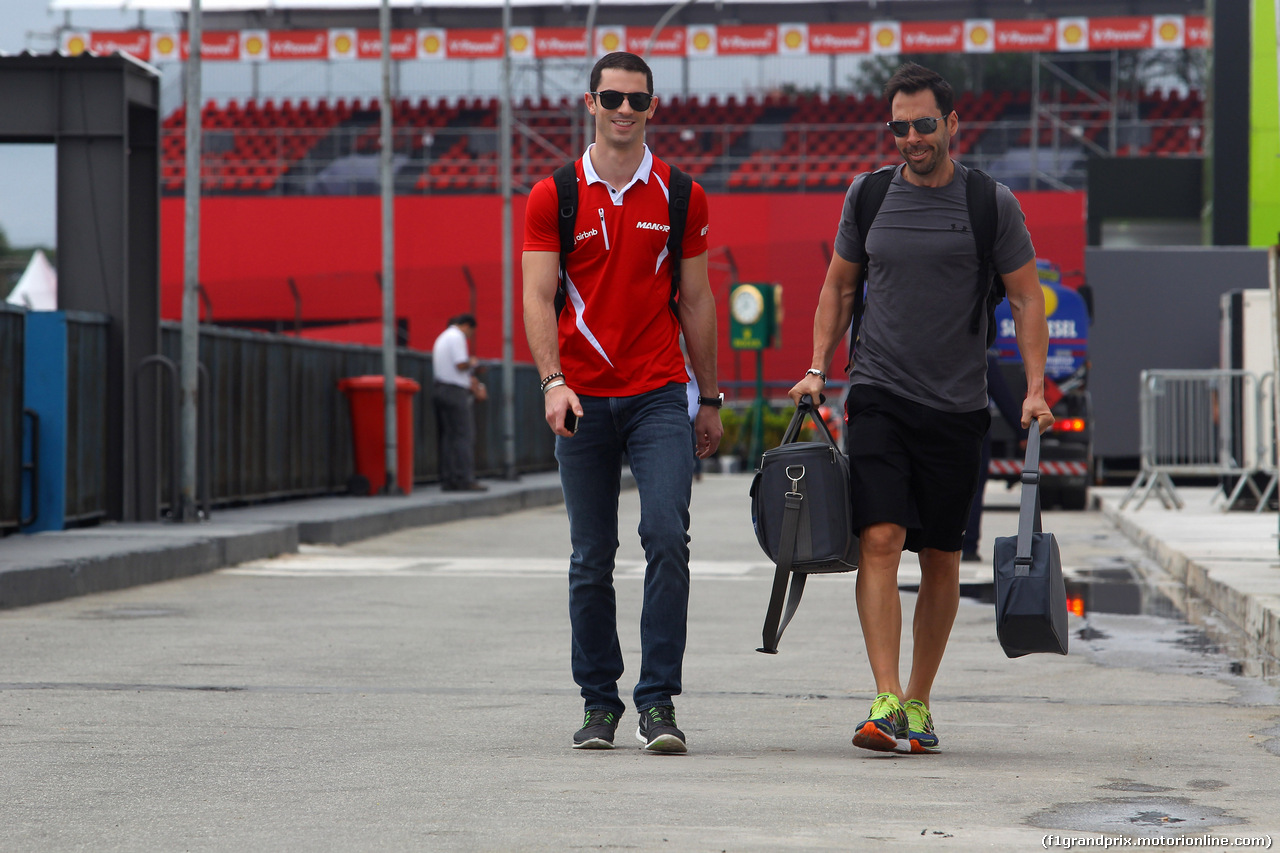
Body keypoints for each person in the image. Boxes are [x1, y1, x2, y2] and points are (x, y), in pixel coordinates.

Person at [788, 62, 1053, 755]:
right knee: (878, 538)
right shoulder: (868, 195)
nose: (911, 137)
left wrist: (1032, 388)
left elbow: (1026, 298)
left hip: (958, 405)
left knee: (940, 554)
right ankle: (882, 698)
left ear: (952, 124)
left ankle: (919, 699)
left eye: (923, 124)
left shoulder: (989, 203)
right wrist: (817, 367)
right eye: (899, 126)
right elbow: (838, 288)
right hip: (876, 391)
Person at [522, 51, 722, 754]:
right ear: (590, 103)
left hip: (660, 395)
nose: (625, 110)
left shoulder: (679, 195)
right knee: (590, 555)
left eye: (637, 99)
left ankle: (658, 701)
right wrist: (552, 381)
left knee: (667, 536)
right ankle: (598, 700)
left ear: (653, 107)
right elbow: (538, 296)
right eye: (613, 98)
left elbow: (696, 299)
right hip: (581, 400)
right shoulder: (553, 194)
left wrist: (711, 398)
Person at [961, 350, 1026, 563]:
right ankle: (969, 547)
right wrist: (1022, 432)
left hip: (942, 428)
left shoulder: (939, 352)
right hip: (977, 429)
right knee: (975, 490)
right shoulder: (984, 358)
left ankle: (939, 544)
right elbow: (1003, 397)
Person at [431, 314, 488, 493]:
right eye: (470, 332)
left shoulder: (442, 337)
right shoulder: (456, 336)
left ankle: (449, 479)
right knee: (464, 436)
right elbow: (460, 364)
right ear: (466, 326)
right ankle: (465, 479)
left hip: (441, 389)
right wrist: (473, 363)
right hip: (455, 393)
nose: (469, 336)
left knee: (449, 437)